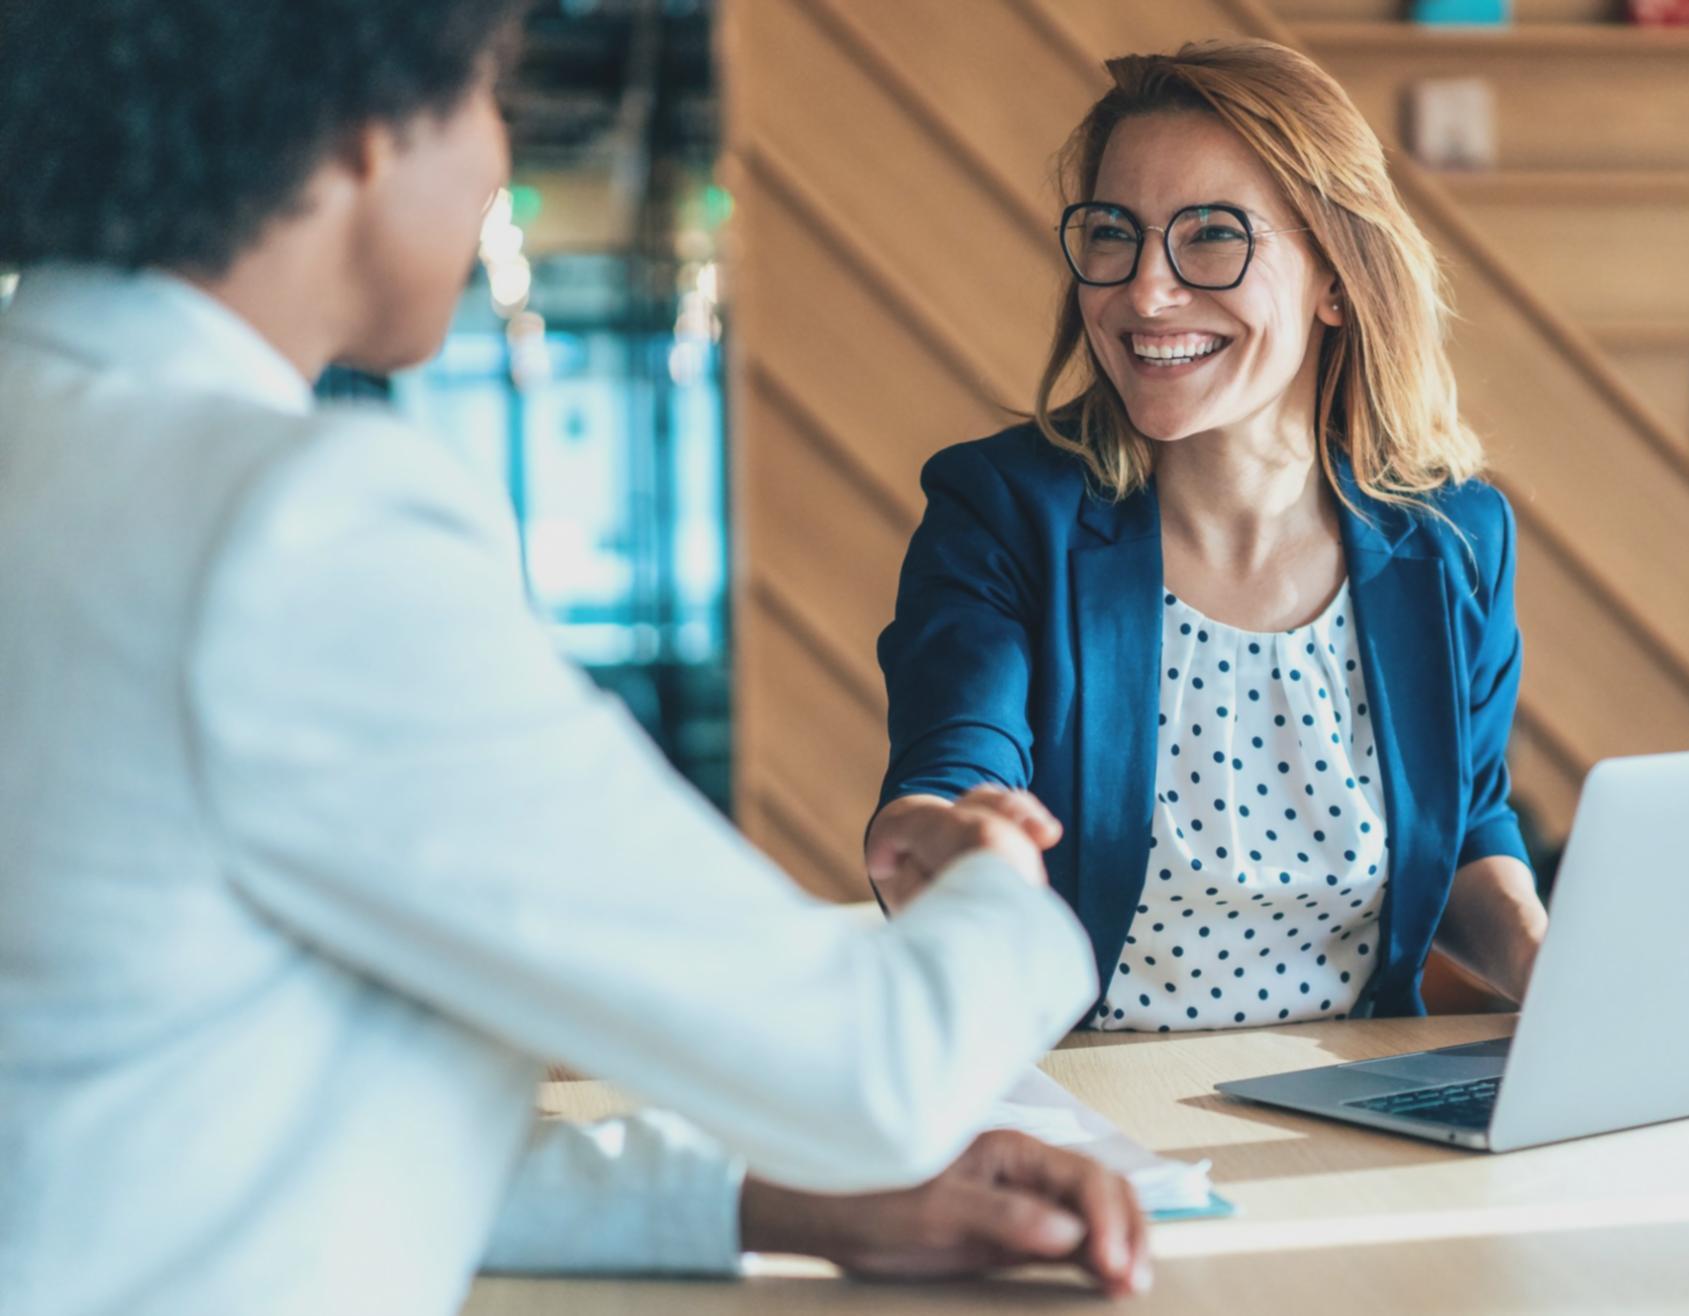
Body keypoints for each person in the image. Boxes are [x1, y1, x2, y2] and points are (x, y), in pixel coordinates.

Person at [0, 3, 1147, 1312]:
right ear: (370, 132)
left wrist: (767, 1202)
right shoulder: (289, 529)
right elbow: (876, 1074)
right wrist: (997, 883)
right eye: (493, 99)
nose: (499, 156)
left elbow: (154, 1130)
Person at [867, 40, 1548, 1032]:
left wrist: (1543, 956)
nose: (1145, 292)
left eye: (1214, 237)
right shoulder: (1003, 509)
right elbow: (953, 767)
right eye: (1114, 233)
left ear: (1337, 277)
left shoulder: (1455, 537)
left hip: (1356, 1105)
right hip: (1085, 1110)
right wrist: (943, 837)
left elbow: (1470, 820)